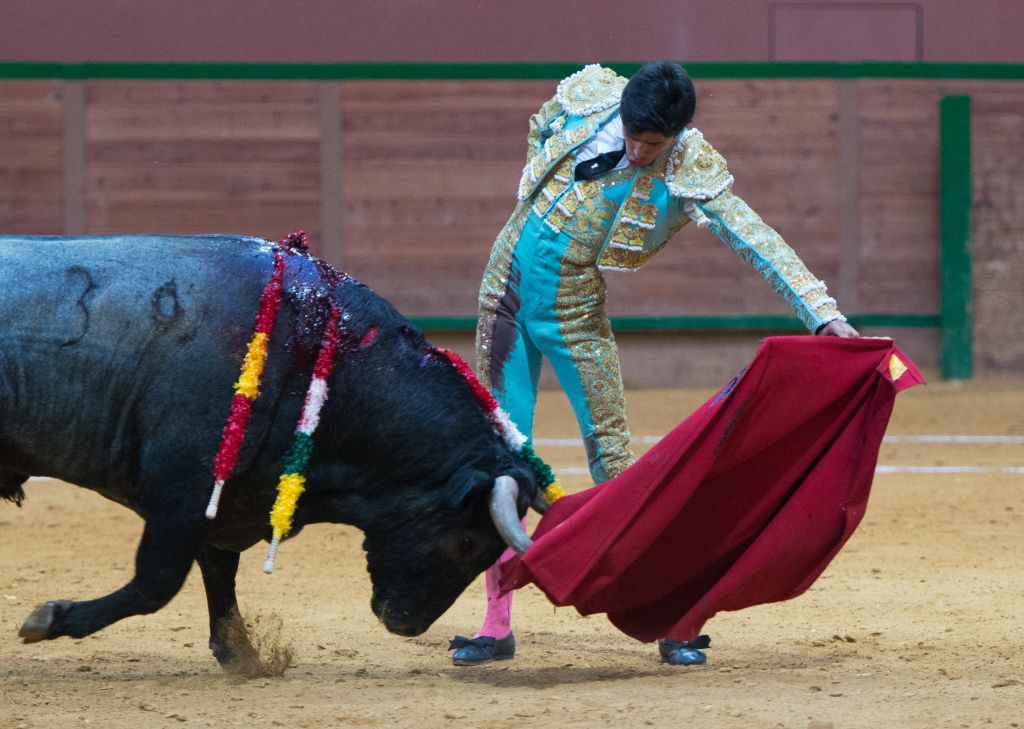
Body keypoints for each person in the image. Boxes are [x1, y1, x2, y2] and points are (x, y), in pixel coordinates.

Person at [448, 61, 859, 668]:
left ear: (678, 136)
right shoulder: (590, 97)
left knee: (614, 464)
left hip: (574, 309)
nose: (640, 152)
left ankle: (667, 613)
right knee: (500, 454)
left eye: (654, 144)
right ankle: (496, 622)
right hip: (503, 291)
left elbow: (756, 237)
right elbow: (541, 129)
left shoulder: (688, 162)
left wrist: (822, 315)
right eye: (634, 137)